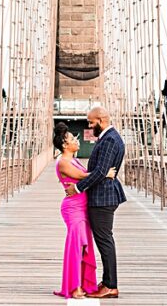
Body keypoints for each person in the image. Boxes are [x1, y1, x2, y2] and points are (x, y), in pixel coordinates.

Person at [64, 105, 126, 300]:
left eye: (91, 122)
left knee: (105, 241)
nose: (89, 126)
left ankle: (110, 285)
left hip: (103, 198)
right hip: (103, 196)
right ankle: (108, 281)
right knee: (104, 240)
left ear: (101, 120)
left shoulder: (109, 139)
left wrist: (78, 188)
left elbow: (100, 171)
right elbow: (102, 171)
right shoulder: (110, 137)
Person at [52, 122, 116, 299]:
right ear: (65, 144)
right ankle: (74, 287)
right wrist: (105, 174)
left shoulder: (73, 159)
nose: (77, 140)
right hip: (73, 208)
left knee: (84, 247)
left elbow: (84, 178)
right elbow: (81, 176)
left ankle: (83, 283)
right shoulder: (63, 161)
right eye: (73, 138)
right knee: (76, 247)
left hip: (83, 208)